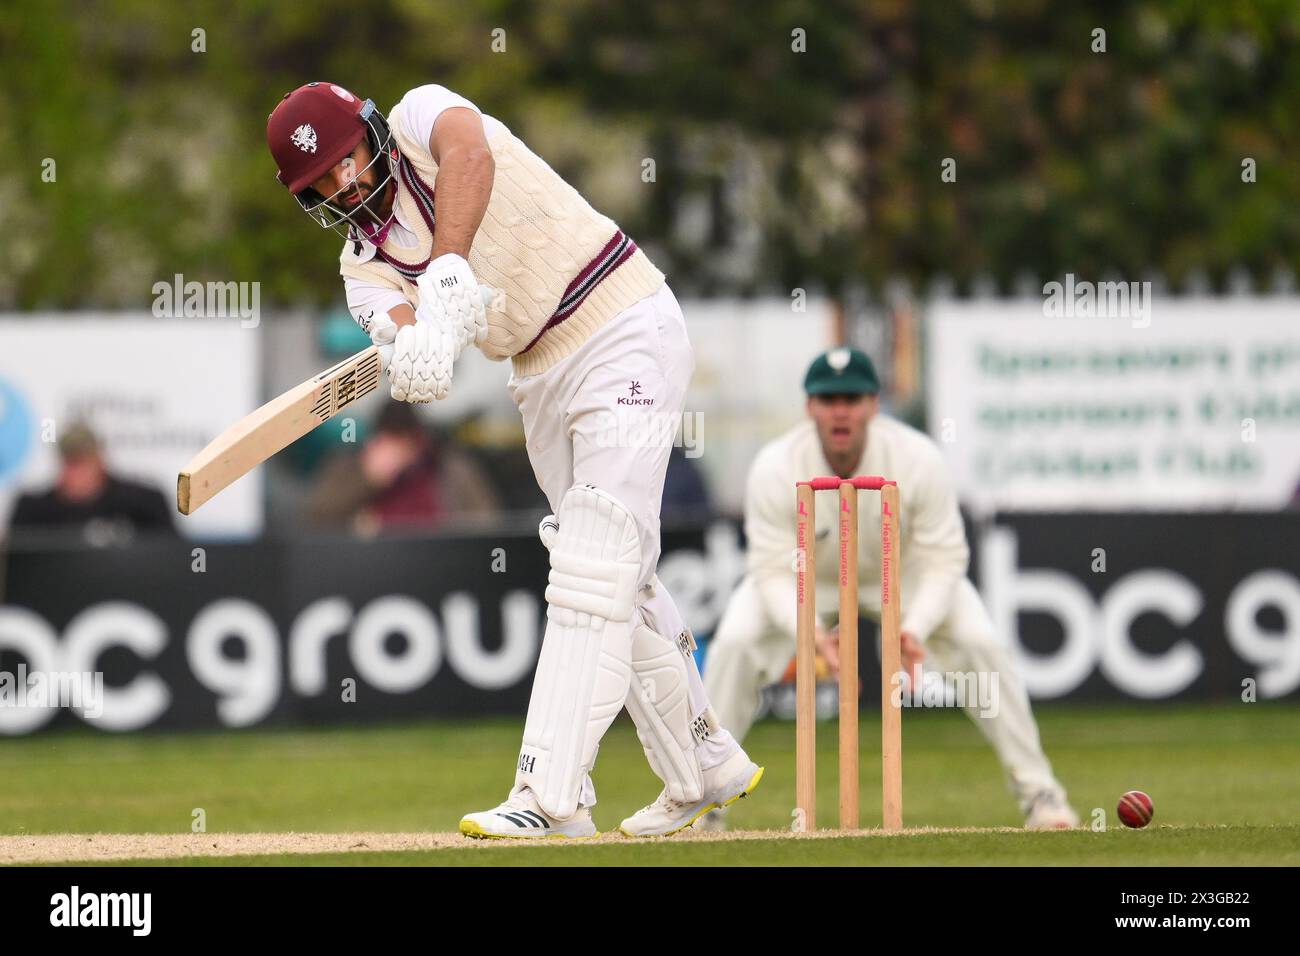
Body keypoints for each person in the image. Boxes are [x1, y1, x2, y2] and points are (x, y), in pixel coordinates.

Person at [266, 81, 761, 838]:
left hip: (620, 318)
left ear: (371, 131)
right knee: (616, 578)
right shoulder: (361, 271)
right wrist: (416, 352)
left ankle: (550, 796)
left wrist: (448, 266)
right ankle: (705, 765)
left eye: (347, 158)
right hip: (537, 374)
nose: (346, 182)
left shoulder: (422, 116)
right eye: (323, 181)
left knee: (593, 555)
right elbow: (399, 330)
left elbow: (471, 150)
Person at [701, 347, 1079, 830]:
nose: (841, 410)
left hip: (903, 577)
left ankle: (1040, 794)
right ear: (809, 406)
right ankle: (708, 803)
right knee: (735, 643)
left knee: (981, 643)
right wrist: (811, 632)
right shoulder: (775, 466)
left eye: (852, 398)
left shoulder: (918, 458)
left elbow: (945, 557)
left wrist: (914, 626)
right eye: (828, 399)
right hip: (808, 582)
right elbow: (772, 569)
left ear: (873, 404)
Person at [304, 402, 499, 533]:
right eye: (392, 440)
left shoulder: (452, 469)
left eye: (406, 442)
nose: (399, 452)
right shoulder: (348, 468)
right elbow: (314, 522)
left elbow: (487, 524)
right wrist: (368, 480)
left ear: (420, 440)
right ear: (375, 440)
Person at [8, 422, 174, 544]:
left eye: (82, 461)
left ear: (100, 460)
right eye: (70, 462)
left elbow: (171, 557)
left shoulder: (144, 503)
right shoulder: (33, 510)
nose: (76, 471)